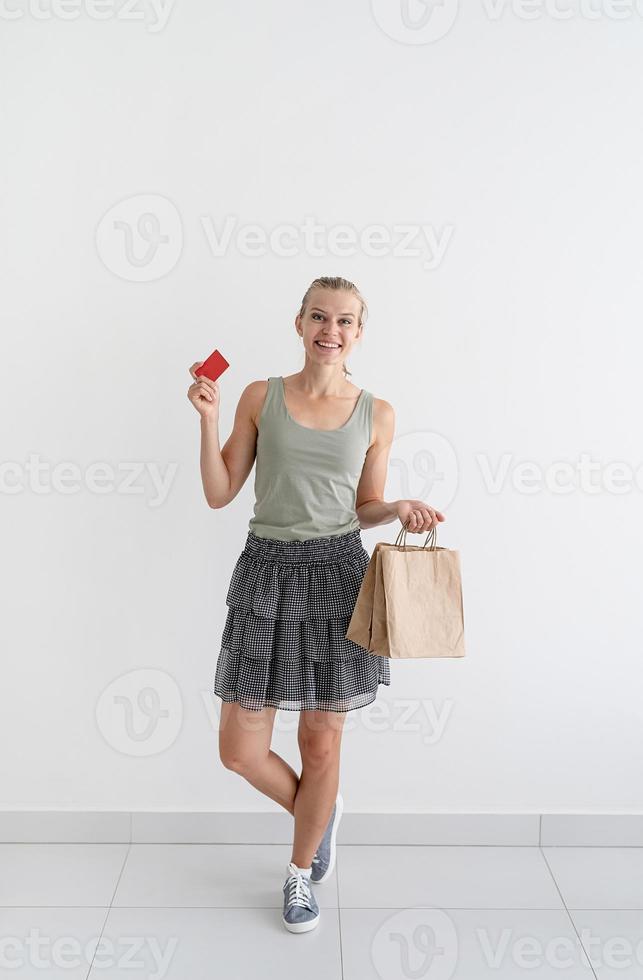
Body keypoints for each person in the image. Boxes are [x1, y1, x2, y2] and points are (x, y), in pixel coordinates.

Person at [187, 275, 445, 933]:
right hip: (265, 573)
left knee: (320, 740)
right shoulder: (257, 397)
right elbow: (220, 493)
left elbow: (363, 507)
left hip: (336, 575)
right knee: (239, 749)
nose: (331, 331)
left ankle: (299, 871)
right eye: (319, 317)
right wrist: (209, 419)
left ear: (359, 333)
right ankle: (319, 814)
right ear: (298, 323)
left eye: (346, 322)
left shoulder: (376, 412)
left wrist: (396, 509)